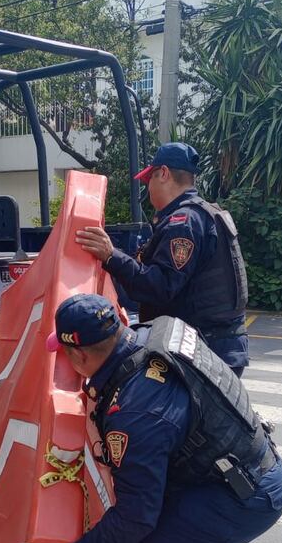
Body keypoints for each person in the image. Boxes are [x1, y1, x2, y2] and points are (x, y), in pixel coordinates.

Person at [17, 294, 282, 543]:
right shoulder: (157, 332)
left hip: (244, 497)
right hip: (241, 470)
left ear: (79, 356)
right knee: (169, 529)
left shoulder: (134, 413)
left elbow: (135, 518)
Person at [74, 142, 251, 376]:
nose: (148, 191)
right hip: (216, 347)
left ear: (164, 174)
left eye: (150, 181)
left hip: (203, 351)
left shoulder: (184, 222)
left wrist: (110, 256)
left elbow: (160, 286)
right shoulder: (205, 213)